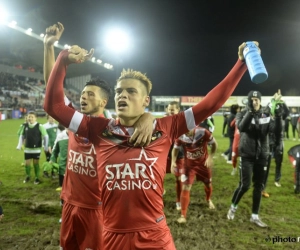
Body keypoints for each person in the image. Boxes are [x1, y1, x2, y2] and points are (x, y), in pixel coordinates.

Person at [44, 39, 252, 249]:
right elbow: (53, 106)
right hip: (112, 237)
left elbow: (210, 104)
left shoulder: (165, 127)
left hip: (154, 237)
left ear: (146, 100)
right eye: (118, 91)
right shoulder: (97, 128)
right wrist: (63, 60)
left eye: (131, 91)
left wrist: (240, 64)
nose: (123, 94)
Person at [44, 22, 154, 250]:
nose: (83, 98)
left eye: (90, 95)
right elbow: (52, 91)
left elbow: (139, 124)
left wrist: (148, 117)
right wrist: (49, 47)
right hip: (69, 204)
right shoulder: (75, 121)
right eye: (82, 94)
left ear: (104, 102)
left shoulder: (111, 129)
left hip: (98, 209)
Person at [227, 90, 282, 228]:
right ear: (249, 100)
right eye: (252, 99)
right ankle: (233, 207)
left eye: (257, 99)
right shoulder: (242, 113)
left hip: (262, 155)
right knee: (244, 185)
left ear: (260, 100)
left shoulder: (266, 114)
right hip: (247, 155)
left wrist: (278, 117)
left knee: (259, 186)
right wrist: (250, 112)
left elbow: (274, 130)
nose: (255, 101)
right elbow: (242, 127)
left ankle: (255, 216)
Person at [172, 126, 217, 223]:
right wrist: (173, 161)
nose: (186, 133)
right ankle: (183, 216)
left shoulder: (203, 132)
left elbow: (214, 144)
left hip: (203, 165)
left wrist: (210, 157)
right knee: (186, 187)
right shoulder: (180, 135)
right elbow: (175, 149)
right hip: (189, 166)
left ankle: (208, 199)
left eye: (188, 130)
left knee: (208, 184)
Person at [16, 111, 49, 184]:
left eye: (32, 117)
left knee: (35, 163)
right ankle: (28, 176)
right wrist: (19, 145)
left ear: (36, 118)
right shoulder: (25, 126)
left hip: (37, 149)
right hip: (27, 149)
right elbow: (21, 136)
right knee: (27, 163)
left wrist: (46, 147)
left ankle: (37, 178)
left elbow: (46, 136)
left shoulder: (39, 126)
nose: (30, 118)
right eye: (29, 117)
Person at [164, 101, 185, 210]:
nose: (170, 111)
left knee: (179, 179)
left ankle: (178, 200)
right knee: (157, 175)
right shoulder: (163, 122)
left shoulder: (182, 123)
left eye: (173, 109)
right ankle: (160, 192)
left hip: (178, 155)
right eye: (169, 109)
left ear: (178, 110)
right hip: (165, 155)